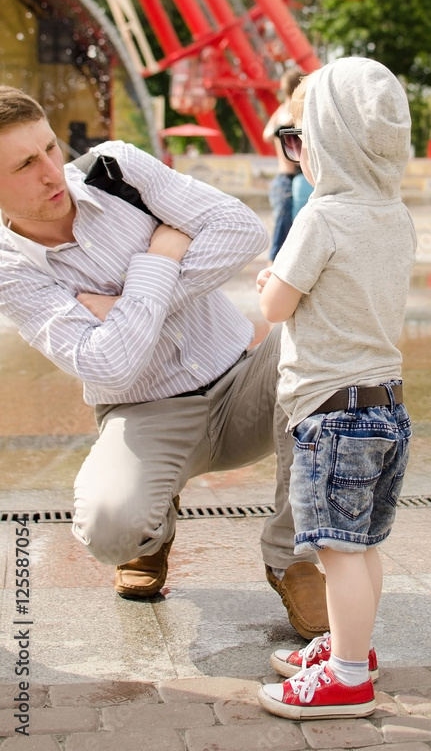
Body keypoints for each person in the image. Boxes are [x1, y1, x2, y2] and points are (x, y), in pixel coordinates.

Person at [0, 85, 327, 639]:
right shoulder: (9, 267)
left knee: (326, 338)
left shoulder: (116, 169)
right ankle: (151, 539)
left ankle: (290, 556)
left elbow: (242, 231)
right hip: (145, 412)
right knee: (110, 528)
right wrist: (159, 257)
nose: (54, 173)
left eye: (50, 148)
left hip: (246, 379)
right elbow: (107, 369)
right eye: (25, 165)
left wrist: (123, 307)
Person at [254, 57, 417, 720]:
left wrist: (269, 281)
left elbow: (276, 307)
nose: (298, 154)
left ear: (329, 144)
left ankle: (347, 676)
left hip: (331, 414)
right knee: (363, 547)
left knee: (334, 552)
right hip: (386, 408)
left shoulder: (322, 218)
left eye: (300, 141)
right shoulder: (394, 214)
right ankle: (354, 647)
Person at [263, 67, 302, 262]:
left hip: (283, 180)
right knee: (283, 232)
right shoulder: (291, 113)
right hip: (288, 180)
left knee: (283, 231)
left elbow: (266, 134)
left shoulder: (281, 110)